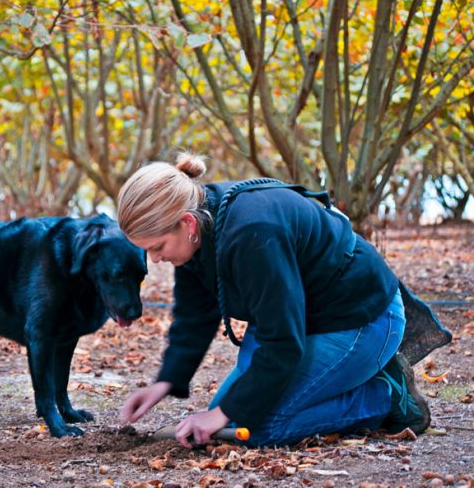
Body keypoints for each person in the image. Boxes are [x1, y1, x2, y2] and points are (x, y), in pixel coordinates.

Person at [116, 153, 435, 448]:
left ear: (187, 223)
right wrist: (166, 381)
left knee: (256, 427)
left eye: (157, 246)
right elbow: (195, 315)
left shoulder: (252, 232)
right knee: (227, 420)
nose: (155, 259)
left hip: (360, 318)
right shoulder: (199, 229)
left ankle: (384, 394)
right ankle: (344, 380)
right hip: (300, 318)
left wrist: (225, 413)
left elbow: (282, 342)